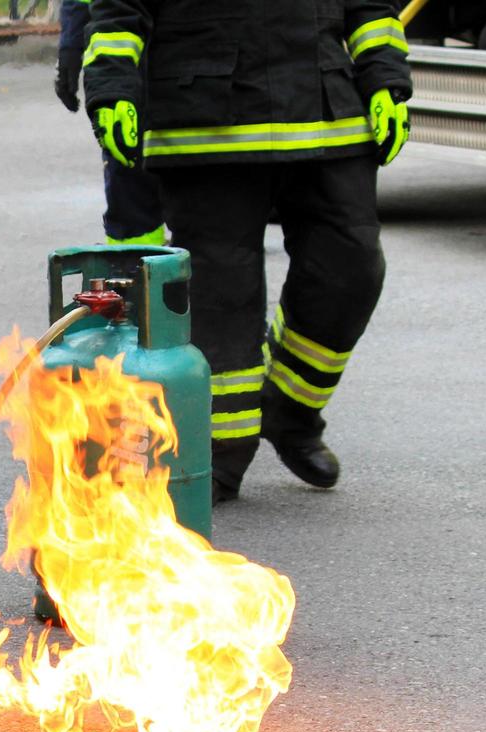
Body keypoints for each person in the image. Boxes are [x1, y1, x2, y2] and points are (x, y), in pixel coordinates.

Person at [81, 0, 411, 503]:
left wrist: (386, 81)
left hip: (326, 112)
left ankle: (290, 411)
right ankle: (218, 451)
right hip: (206, 119)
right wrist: (111, 88)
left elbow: (372, 6)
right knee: (222, 296)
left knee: (352, 269)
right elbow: (119, 8)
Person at [54, 0, 167, 246]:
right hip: (129, 62)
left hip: (209, 59)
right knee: (131, 192)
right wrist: (71, 43)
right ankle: (133, 269)